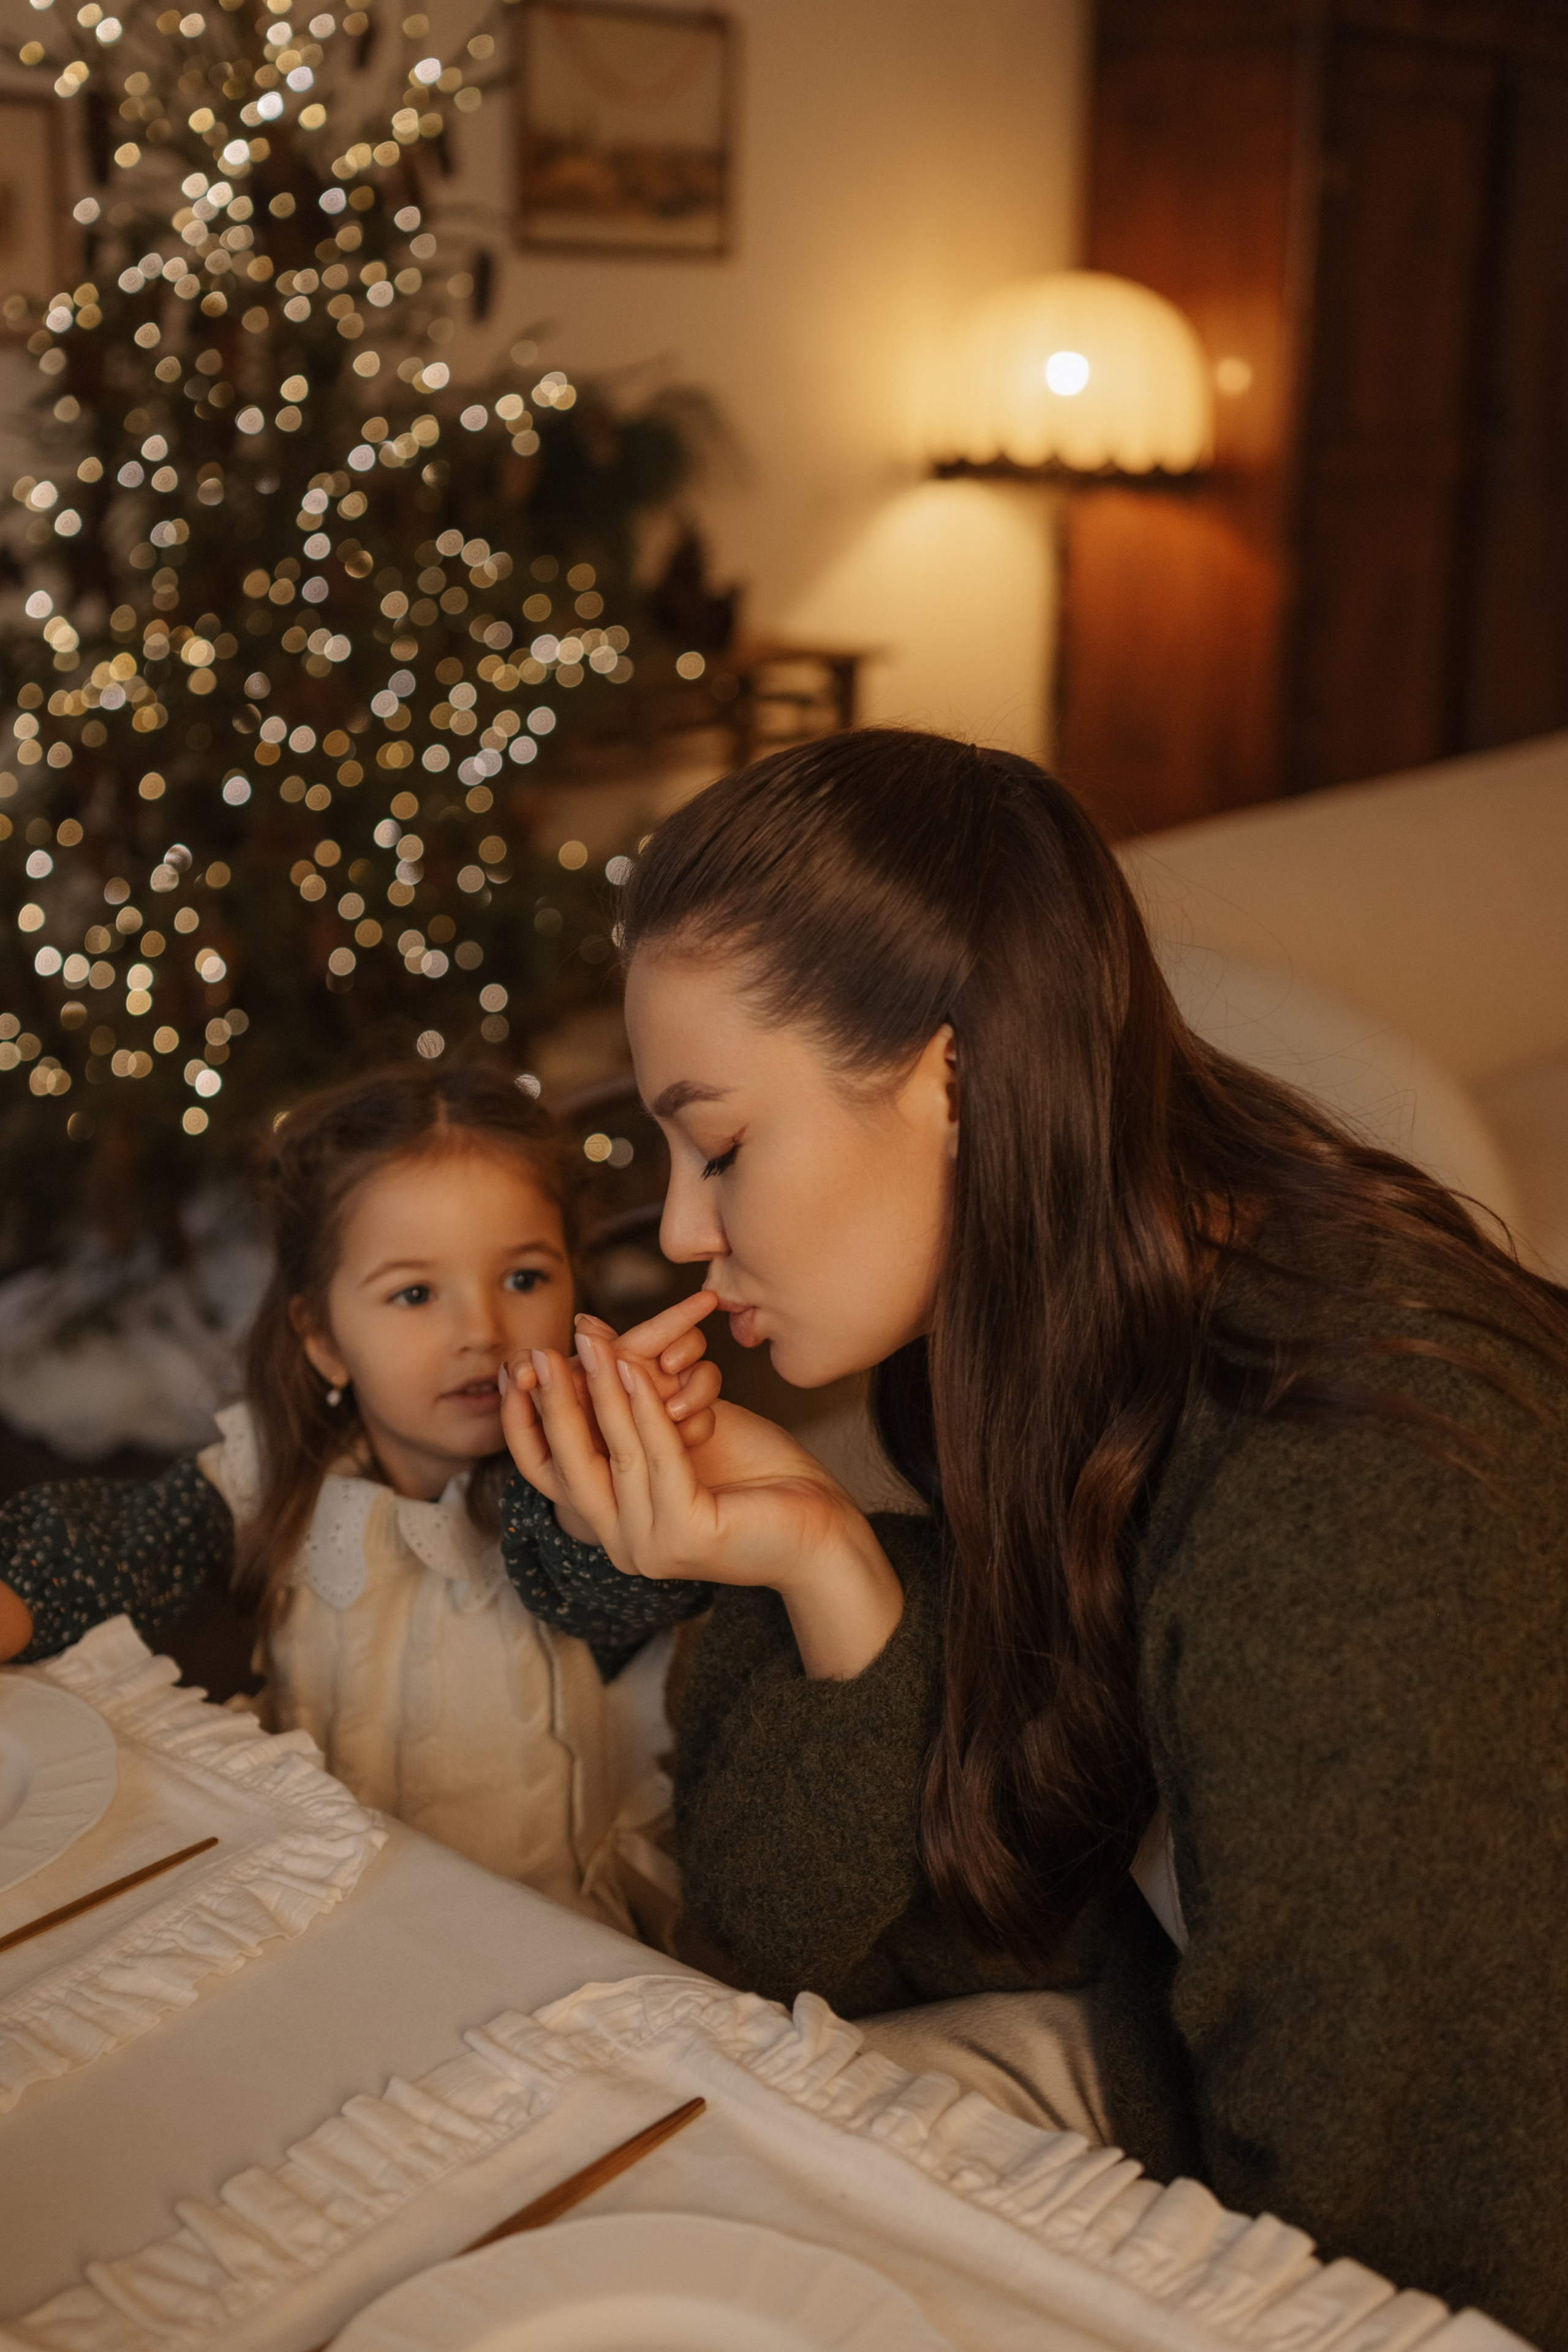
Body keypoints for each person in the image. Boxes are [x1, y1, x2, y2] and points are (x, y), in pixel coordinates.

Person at [499, 729, 1568, 2350]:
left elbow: (1403, 2267)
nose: (679, 1232)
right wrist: (826, 1567)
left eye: (718, 1143)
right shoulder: (1038, 1349)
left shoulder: (1349, 1511)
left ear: (953, 1076)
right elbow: (862, 1926)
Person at [0, 1062, 720, 1937]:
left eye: (525, 1278)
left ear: (575, 1282)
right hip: (345, 1920)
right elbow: (103, 1549)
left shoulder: (579, 1483)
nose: (482, 1332)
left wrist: (595, 1498)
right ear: (323, 1337)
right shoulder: (275, 1478)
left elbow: (620, 1591)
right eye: (416, 1294)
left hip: (550, 1933)